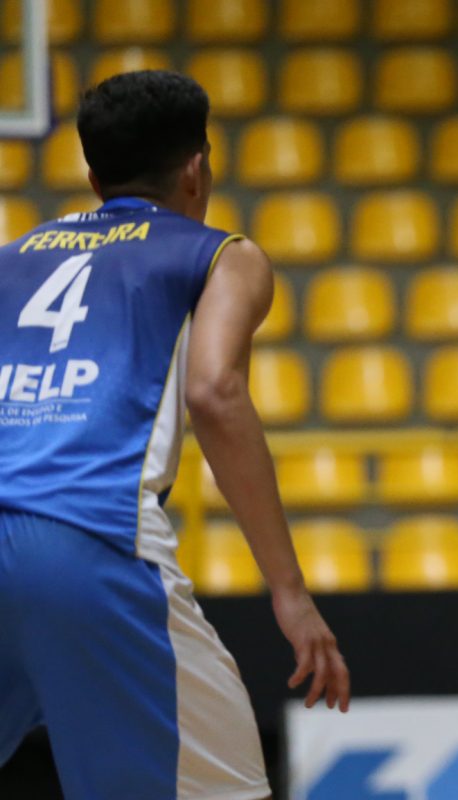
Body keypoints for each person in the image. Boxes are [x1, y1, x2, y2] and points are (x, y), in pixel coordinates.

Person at [0, 70, 350, 799]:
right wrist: (290, 593)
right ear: (197, 169)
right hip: (88, 540)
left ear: (94, 178)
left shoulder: (14, 256)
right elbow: (215, 392)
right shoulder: (221, 253)